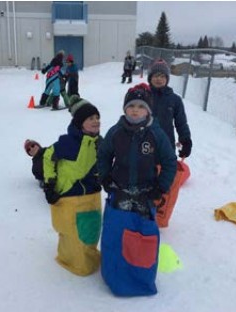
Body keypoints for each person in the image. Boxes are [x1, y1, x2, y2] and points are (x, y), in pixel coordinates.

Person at [97, 83, 177, 296]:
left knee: (141, 239)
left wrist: (161, 187)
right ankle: (113, 272)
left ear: (148, 111)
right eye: (131, 105)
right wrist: (104, 176)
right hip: (119, 191)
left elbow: (170, 161)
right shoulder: (115, 132)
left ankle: (138, 277)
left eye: (141, 106)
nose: (135, 110)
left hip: (145, 194)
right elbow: (104, 154)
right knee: (115, 235)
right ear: (125, 109)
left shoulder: (156, 134)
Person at [42, 96, 102, 276]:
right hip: (68, 195)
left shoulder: (101, 142)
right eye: (90, 118)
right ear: (80, 123)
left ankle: (87, 260)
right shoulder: (67, 143)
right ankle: (71, 260)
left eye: (97, 118)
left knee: (91, 231)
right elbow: (47, 157)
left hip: (91, 195)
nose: (96, 121)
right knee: (71, 231)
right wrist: (49, 184)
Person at [147, 59, 192, 228]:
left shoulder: (174, 100)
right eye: (155, 76)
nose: (158, 79)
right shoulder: (144, 95)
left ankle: (160, 210)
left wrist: (185, 140)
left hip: (166, 146)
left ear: (167, 78)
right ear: (150, 77)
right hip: (145, 145)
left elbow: (181, 122)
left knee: (165, 176)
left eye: (162, 76)